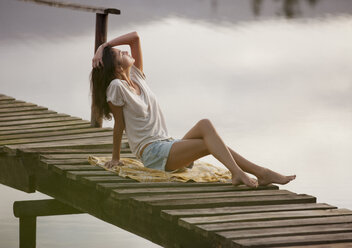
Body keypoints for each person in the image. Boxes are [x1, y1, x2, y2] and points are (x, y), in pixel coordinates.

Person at [90, 31, 296, 188]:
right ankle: (243, 173)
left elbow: (134, 37)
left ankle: (257, 172)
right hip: (153, 153)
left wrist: (105, 46)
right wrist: (115, 158)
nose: (126, 51)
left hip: (167, 145)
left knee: (204, 126)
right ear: (117, 68)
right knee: (207, 137)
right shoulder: (116, 87)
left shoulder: (136, 77)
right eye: (120, 53)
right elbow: (119, 124)